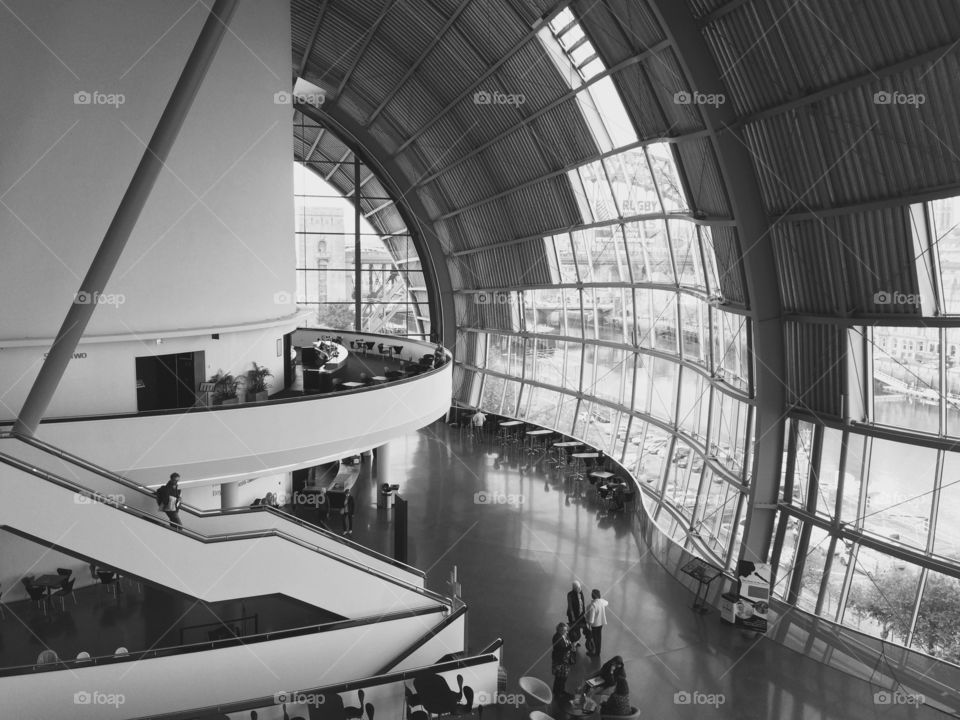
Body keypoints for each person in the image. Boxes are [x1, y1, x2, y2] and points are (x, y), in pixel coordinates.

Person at [550, 622, 573, 700]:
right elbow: (560, 649)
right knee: (559, 677)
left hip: (565, 660)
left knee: (563, 677)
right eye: (564, 630)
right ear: (559, 630)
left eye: (566, 630)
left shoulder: (565, 635)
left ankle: (561, 691)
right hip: (559, 661)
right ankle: (558, 693)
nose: (566, 632)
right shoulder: (556, 638)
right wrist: (570, 647)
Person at [585, 588, 609, 657]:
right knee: (599, 637)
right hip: (601, 623)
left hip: (595, 625)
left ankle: (595, 653)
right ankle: (598, 652)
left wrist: (587, 621)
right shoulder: (602, 602)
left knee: (595, 639)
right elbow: (607, 602)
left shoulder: (592, 606)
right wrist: (600, 599)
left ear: (592, 596)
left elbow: (591, 621)